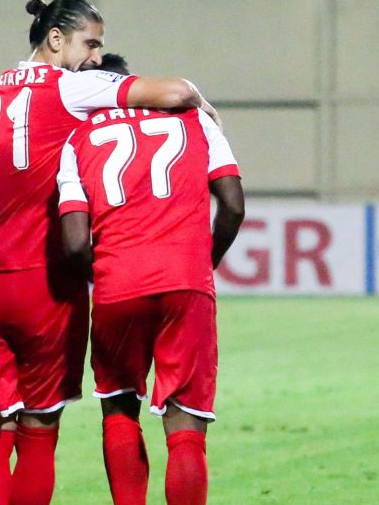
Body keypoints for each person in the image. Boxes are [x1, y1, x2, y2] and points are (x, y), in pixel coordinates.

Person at [0, 0, 220, 504]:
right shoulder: (70, 85)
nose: (96, 56)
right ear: (56, 38)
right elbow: (174, 91)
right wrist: (202, 104)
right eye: (91, 43)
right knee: (39, 432)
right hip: (45, 277)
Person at [56, 56, 244, 505]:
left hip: (118, 284)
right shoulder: (195, 120)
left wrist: (105, 275)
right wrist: (205, 261)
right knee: (186, 425)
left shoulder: (76, 139)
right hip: (186, 280)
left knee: (119, 409)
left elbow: (75, 243)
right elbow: (234, 205)